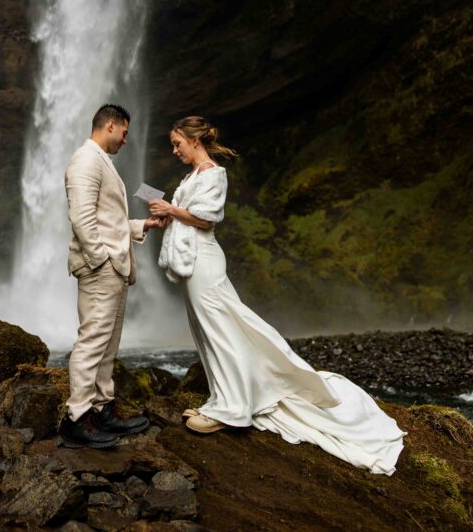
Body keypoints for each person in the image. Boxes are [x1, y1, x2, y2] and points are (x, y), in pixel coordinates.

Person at [149, 116, 405, 475]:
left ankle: (235, 408)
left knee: (222, 330)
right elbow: (187, 217)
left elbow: (206, 219)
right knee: (207, 331)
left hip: (204, 261)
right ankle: (222, 398)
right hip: (189, 263)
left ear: (195, 140)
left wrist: (171, 210)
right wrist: (165, 217)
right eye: (173, 145)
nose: (174, 151)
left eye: (178, 143)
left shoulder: (212, 173)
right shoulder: (191, 177)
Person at [58, 104, 166, 449]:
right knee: (92, 340)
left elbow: (109, 221)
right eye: (124, 132)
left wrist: (142, 225)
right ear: (110, 125)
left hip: (114, 266)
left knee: (107, 345)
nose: (126, 140)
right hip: (102, 267)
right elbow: (82, 218)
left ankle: (102, 409)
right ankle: (76, 418)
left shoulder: (101, 161)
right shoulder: (86, 160)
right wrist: (100, 259)